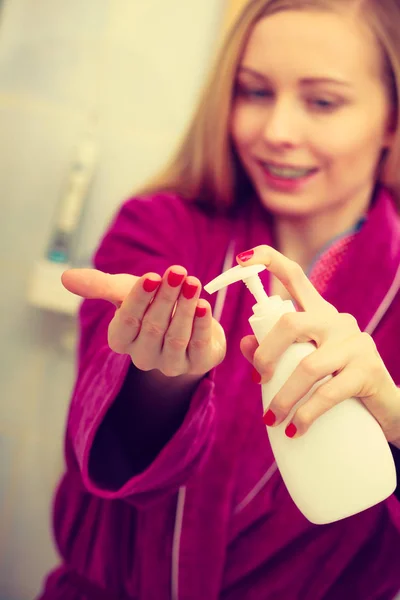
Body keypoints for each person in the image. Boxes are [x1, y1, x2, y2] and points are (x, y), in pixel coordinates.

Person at [37, 0, 400, 598]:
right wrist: (159, 378)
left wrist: (392, 418)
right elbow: (101, 448)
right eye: (254, 92)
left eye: (322, 101)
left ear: (391, 118)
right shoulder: (157, 229)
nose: (277, 131)